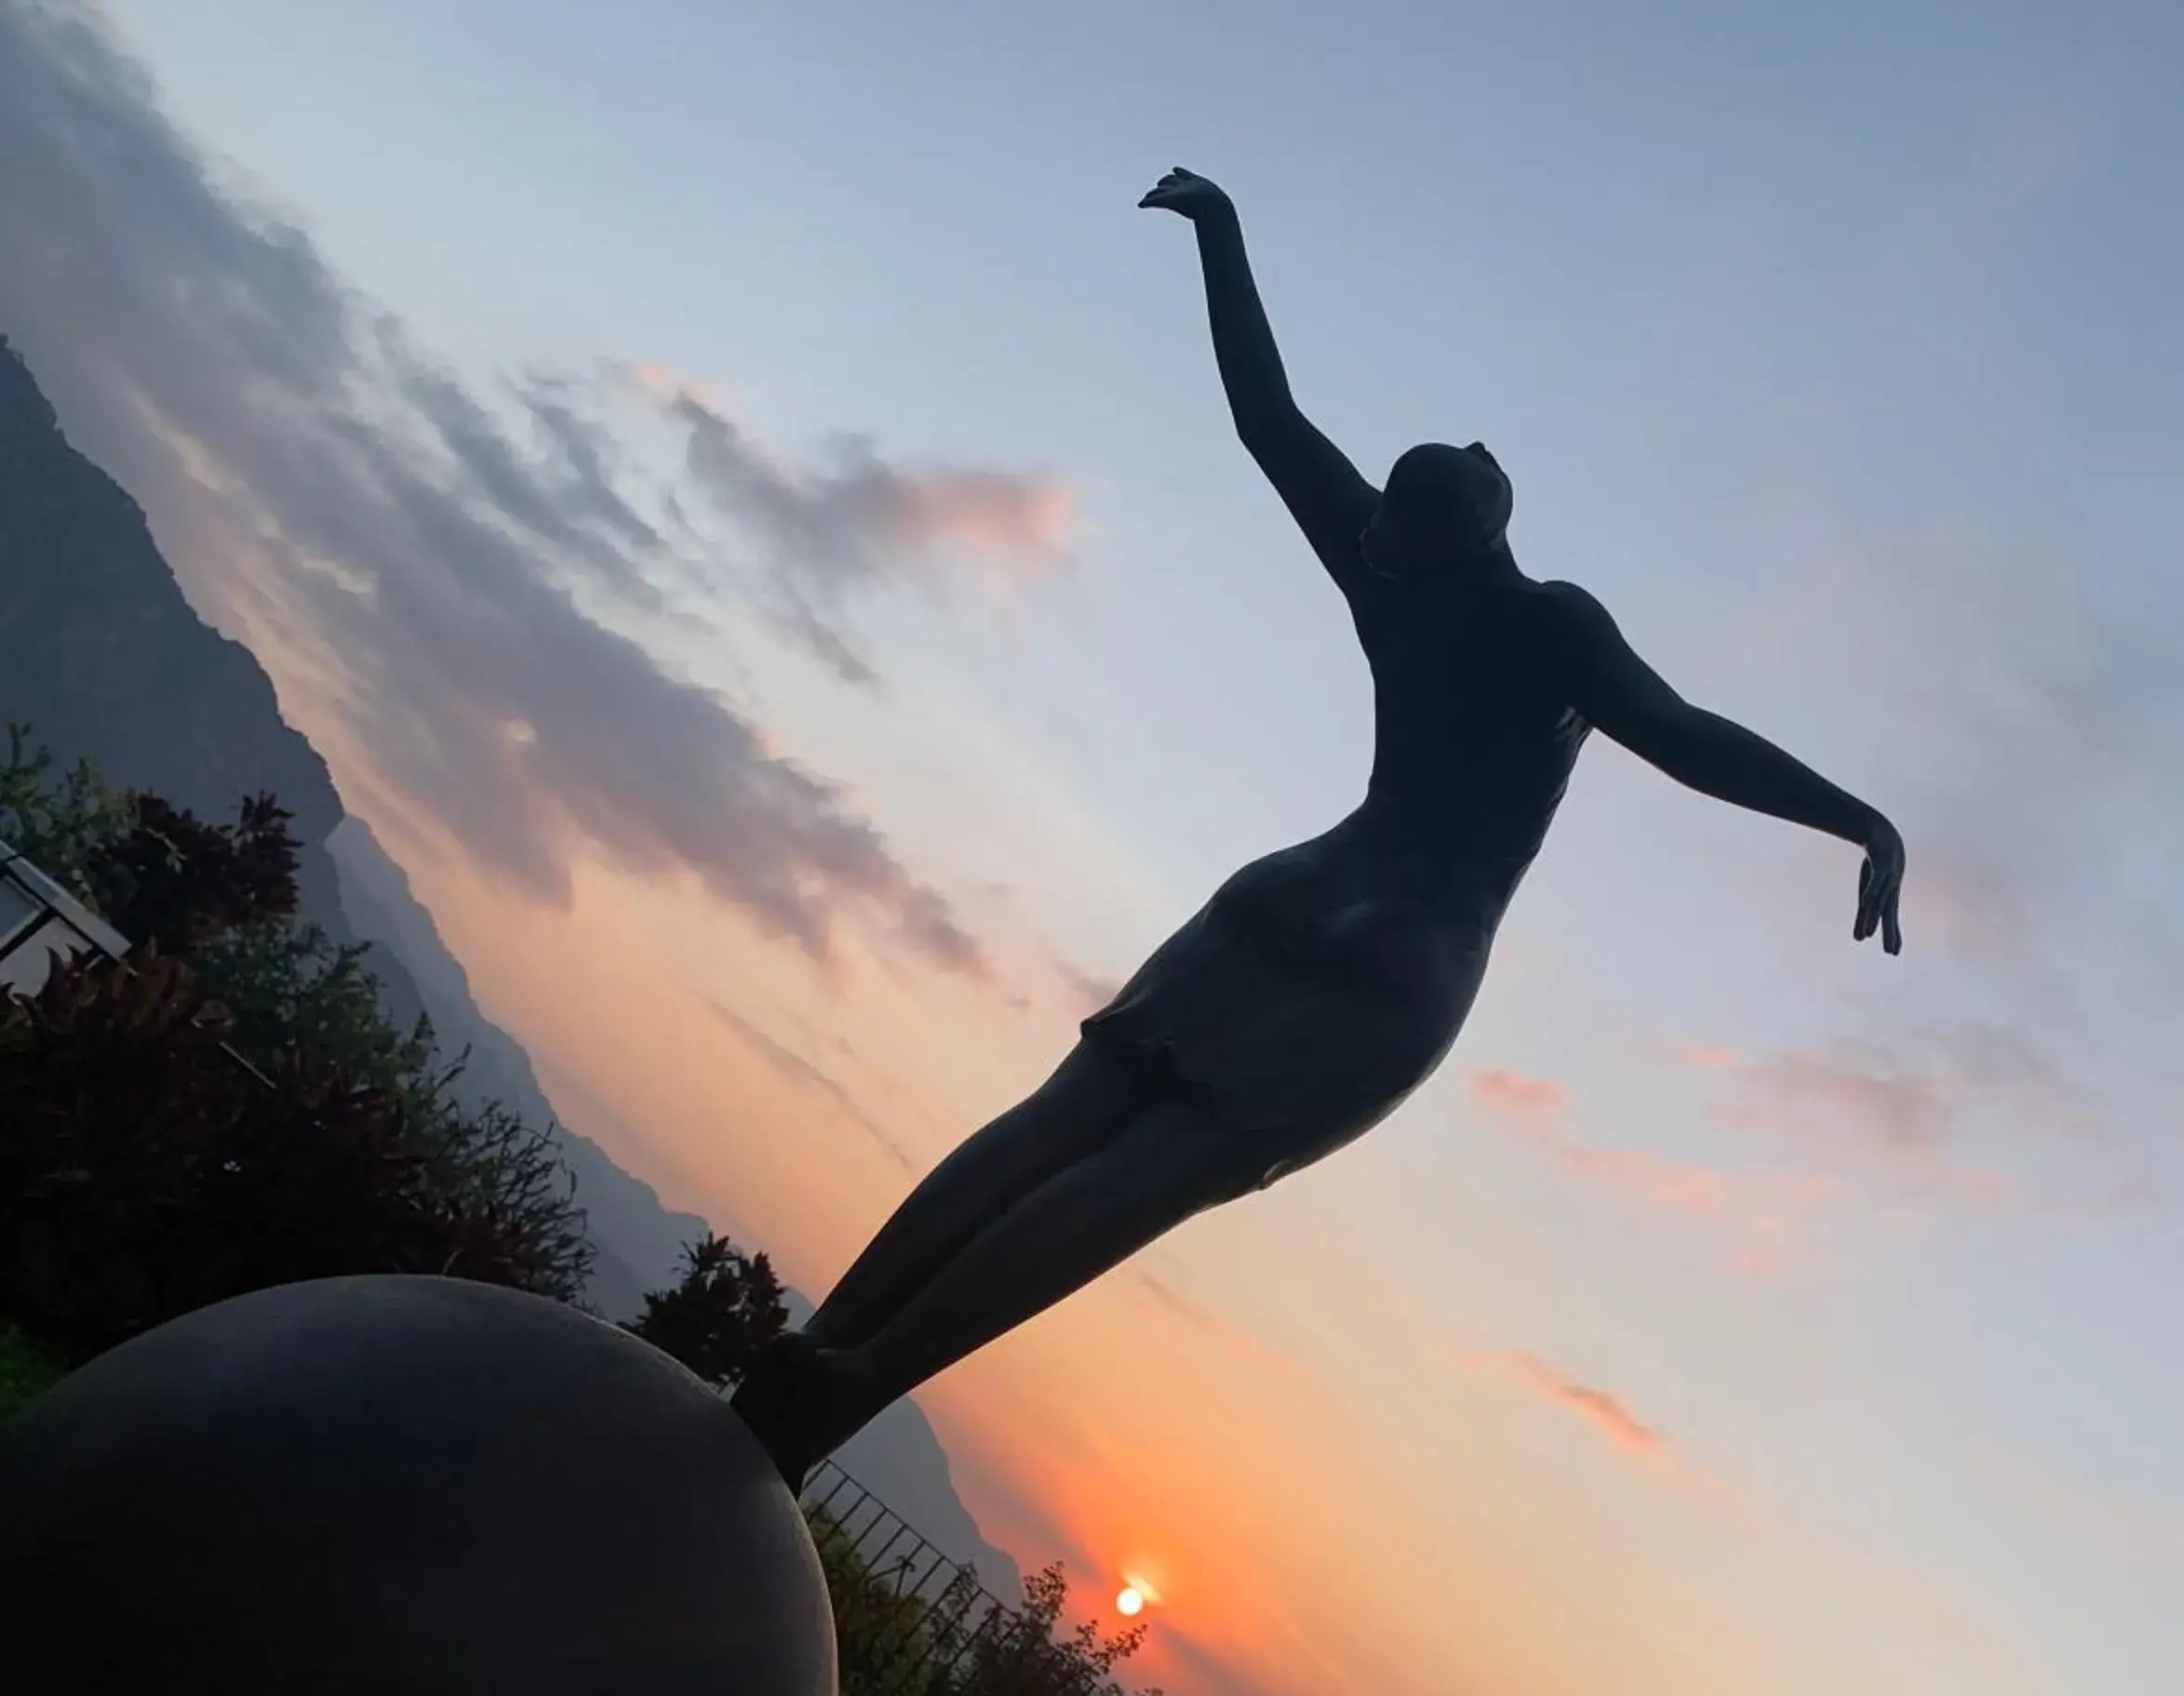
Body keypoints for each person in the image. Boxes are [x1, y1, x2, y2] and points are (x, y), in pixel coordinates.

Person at [730, 168, 1906, 1487]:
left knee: (1069, 1122)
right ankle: (838, 1382)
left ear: (1432, 540)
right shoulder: (1535, 618)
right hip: (1403, 954)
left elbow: (1268, 419)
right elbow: (1684, 737)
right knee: (1132, 1169)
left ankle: (825, 1355)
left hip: (1299, 892)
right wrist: (1857, 818)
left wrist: (1222, 231)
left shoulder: (1392, 577)